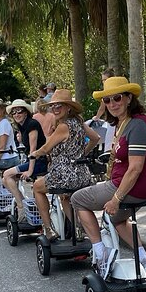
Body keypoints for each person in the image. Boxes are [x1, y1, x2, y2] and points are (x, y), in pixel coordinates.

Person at [71, 77, 146, 280]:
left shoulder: (137, 124)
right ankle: (145, 261)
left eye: (117, 98)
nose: (112, 104)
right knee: (116, 219)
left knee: (77, 199)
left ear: (129, 98)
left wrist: (116, 199)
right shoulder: (124, 123)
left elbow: (135, 168)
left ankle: (101, 253)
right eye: (107, 101)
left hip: (132, 186)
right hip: (134, 184)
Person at [30, 89, 100, 240]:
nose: (55, 109)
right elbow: (96, 138)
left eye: (59, 106)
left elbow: (46, 148)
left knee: (37, 187)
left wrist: (35, 154)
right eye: (53, 106)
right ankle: (77, 228)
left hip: (64, 174)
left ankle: (48, 229)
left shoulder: (63, 127)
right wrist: (82, 153)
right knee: (65, 197)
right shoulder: (80, 123)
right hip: (82, 174)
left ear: (68, 107)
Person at [2, 99, 48, 222]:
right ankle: (25, 204)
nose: (17, 114)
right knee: (7, 178)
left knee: (7, 175)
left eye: (20, 111)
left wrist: (29, 171)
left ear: (26, 112)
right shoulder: (22, 127)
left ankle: (22, 206)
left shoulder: (32, 124)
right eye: (14, 112)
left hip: (40, 161)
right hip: (34, 161)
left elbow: (33, 150)